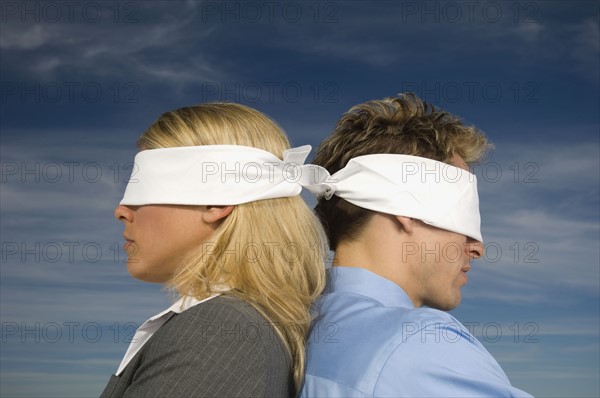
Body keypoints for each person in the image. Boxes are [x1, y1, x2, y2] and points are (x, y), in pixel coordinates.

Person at [300, 93, 532, 397]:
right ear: (406, 210)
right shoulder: (421, 345)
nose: (476, 247)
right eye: (466, 217)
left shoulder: (297, 325)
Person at [101, 102, 326, 397]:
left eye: (142, 187)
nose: (121, 210)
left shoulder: (220, 333)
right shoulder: (236, 325)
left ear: (217, 202)